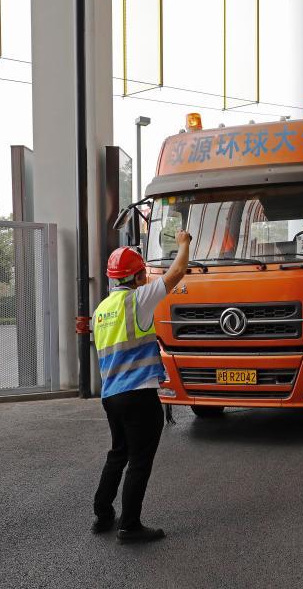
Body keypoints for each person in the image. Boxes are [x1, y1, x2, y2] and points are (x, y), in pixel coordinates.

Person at [91, 230, 192, 544]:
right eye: (143, 274)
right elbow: (176, 274)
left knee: (118, 454)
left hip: (112, 396)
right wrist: (184, 244)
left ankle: (103, 513)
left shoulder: (101, 310)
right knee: (139, 461)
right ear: (137, 276)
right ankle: (129, 526)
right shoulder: (138, 299)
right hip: (139, 395)